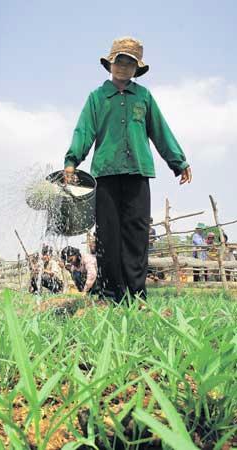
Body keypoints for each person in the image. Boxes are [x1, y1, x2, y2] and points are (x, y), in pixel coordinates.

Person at [64, 37, 192, 301]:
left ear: (137, 68)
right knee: (108, 236)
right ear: (110, 64)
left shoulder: (143, 97)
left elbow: (160, 131)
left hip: (137, 172)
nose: (123, 66)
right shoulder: (97, 98)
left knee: (136, 235)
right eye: (119, 61)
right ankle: (111, 294)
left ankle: (136, 295)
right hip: (106, 175)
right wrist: (72, 161)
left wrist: (178, 162)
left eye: (130, 63)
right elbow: (84, 131)